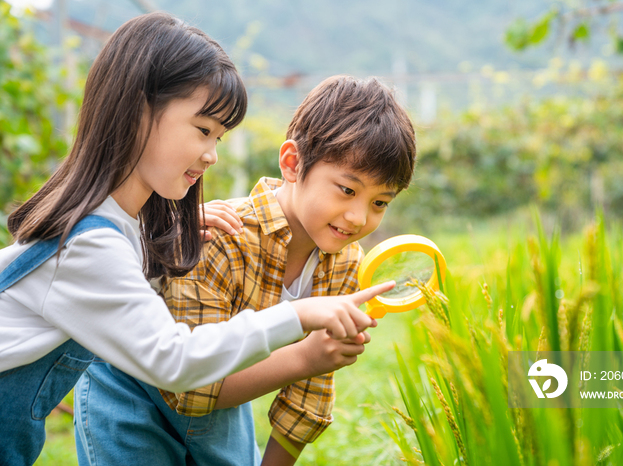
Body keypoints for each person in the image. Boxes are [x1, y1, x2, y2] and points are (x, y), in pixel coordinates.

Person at [0, 13, 391, 466]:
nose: (212, 154)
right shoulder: (89, 245)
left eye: (220, 136)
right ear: (137, 111)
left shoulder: (111, 231)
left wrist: (155, 240)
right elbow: (175, 360)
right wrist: (296, 315)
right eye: (203, 130)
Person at [74, 75, 416, 465]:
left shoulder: (346, 264)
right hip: (132, 394)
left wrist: (314, 360)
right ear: (292, 163)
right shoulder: (222, 238)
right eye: (347, 190)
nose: (358, 217)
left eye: (380, 202)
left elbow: (307, 398)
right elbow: (189, 387)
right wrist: (306, 356)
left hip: (224, 401)